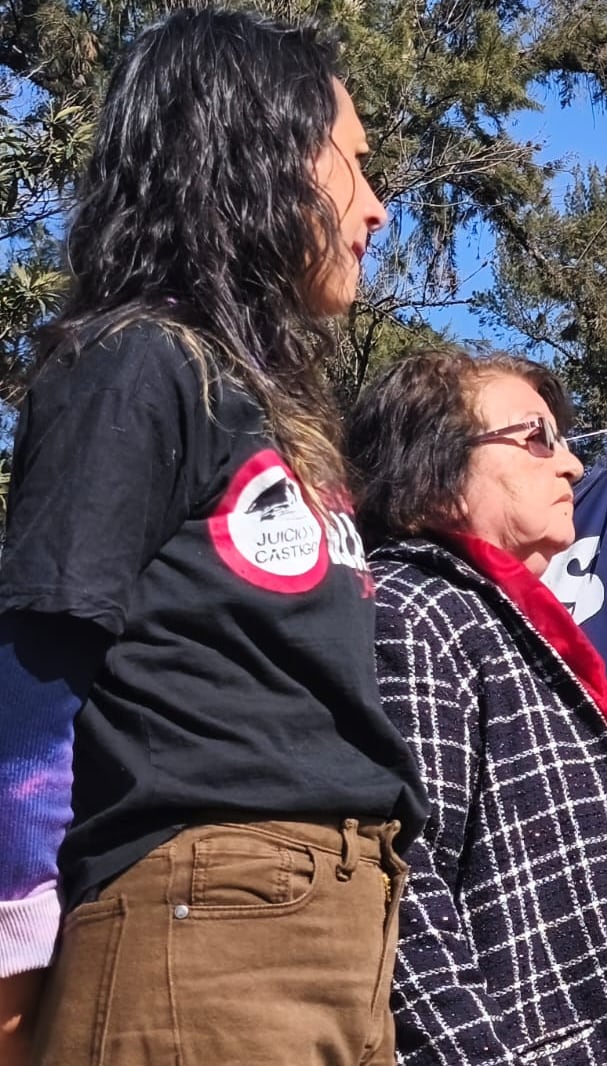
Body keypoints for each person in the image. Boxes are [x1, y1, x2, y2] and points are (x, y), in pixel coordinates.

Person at [0, 10, 428, 1064]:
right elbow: (37, 680)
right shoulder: (137, 363)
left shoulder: (264, 401)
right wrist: (15, 966)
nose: (376, 210)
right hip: (205, 923)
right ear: (262, 155)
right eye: (356, 167)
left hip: (341, 926)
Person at [347, 346, 607, 1066]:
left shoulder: (519, 633)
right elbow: (402, 905)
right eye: (537, 437)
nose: (573, 465)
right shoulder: (413, 610)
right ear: (434, 462)